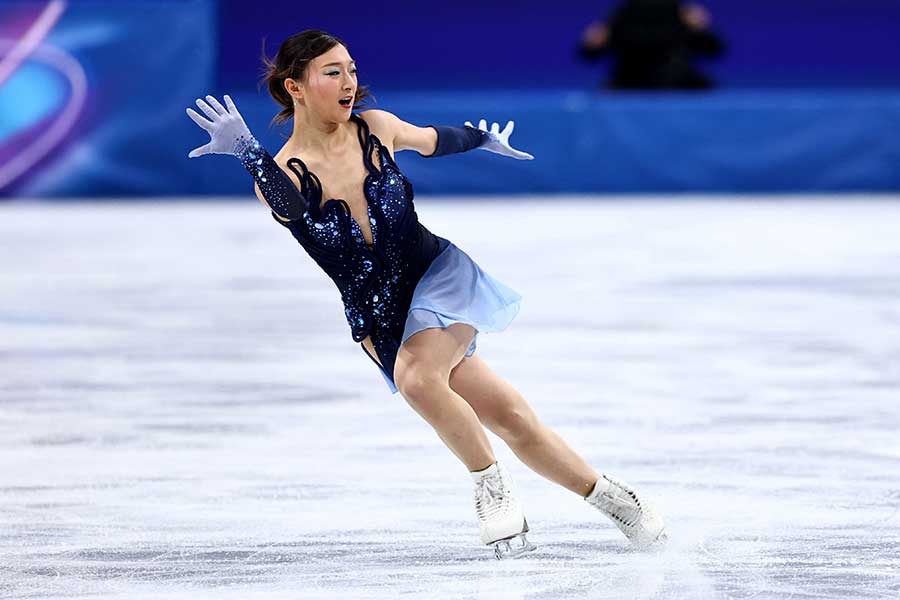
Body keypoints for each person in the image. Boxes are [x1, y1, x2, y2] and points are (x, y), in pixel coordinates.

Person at [186, 29, 666, 559]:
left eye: (351, 69)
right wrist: (251, 154)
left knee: (418, 379)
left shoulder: (376, 127)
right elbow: (294, 211)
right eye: (332, 72)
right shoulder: (280, 174)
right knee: (511, 419)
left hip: (436, 274)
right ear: (295, 87)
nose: (350, 82)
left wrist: (481, 139)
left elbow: (433, 139)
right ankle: (618, 500)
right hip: (377, 313)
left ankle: (491, 486)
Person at [579, 0, 724, 90]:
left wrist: (701, 30)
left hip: (676, 84)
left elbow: (714, 49)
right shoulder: (623, 15)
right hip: (629, 85)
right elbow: (589, 53)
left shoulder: (682, 14)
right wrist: (592, 42)